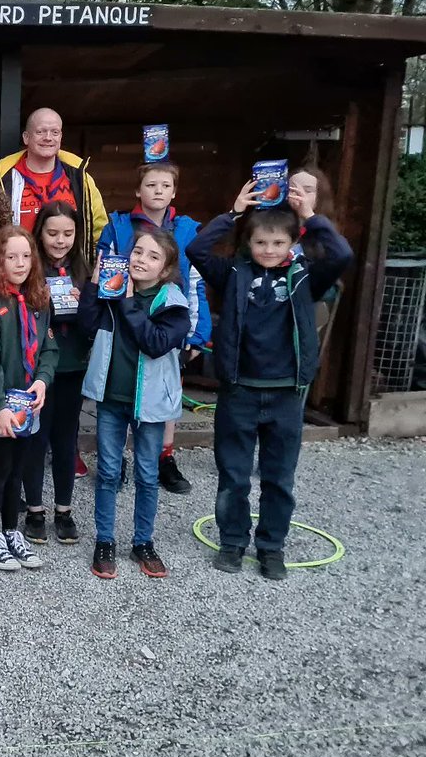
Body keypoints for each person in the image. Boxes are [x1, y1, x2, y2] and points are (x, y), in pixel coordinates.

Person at [187, 181, 352, 580]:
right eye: (261, 242)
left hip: (284, 395)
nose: (269, 250)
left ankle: (271, 547)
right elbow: (196, 249)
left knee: (279, 479)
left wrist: (310, 216)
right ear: (250, 242)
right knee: (234, 476)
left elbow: (342, 253)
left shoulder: (305, 278)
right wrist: (236, 212)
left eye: (278, 243)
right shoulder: (233, 274)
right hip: (240, 390)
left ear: (293, 243)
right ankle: (232, 542)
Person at [78, 232, 191, 580]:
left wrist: (127, 303)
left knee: (147, 473)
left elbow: (155, 342)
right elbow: (86, 326)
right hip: (113, 398)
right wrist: (95, 287)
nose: (140, 259)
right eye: (137, 251)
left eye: (152, 256)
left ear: (166, 268)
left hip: (151, 404)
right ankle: (105, 540)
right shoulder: (112, 289)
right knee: (109, 472)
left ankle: (143, 542)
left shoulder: (173, 303)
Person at [96, 161, 211, 495]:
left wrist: (198, 331)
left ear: (174, 192)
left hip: (167, 318)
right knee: (118, 391)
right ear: (138, 190)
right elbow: (103, 271)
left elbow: (195, 283)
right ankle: (114, 462)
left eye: (165, 186)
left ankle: (164, 458)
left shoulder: (187, 229)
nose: (158, 191)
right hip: (121, 319)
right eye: (150, 185)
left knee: (166, 391)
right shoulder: (118, 226)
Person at [0, 226, 58, 572]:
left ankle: (12, 531)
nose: (20, 263)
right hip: (1, 407)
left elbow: (49, 348)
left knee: (19, 469)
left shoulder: (38, 299)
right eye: (11, 257)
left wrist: (42, 381)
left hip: (29, 403)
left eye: (26, 256)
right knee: (0, 469)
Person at [22, 202, 92, 544]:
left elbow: (96, 325)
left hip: (73, 367)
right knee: (35, 439)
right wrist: (41, 301)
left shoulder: (84, 270)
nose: (60, 240)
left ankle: (64, 510)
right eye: (52, 233)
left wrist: (86, 304)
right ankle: (34, 510)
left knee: (66, 441)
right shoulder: (29, 268)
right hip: (36, 370)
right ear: (40, 233)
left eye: (67, 233)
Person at [0, 107, 109, 264]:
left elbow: (99, 231)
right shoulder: (1, 179)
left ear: (60, 137)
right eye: (40, 132)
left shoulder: (80, 178)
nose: (48, 137)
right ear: (26, 137)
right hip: (18, 273)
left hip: (69, 276)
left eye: (55, 132)